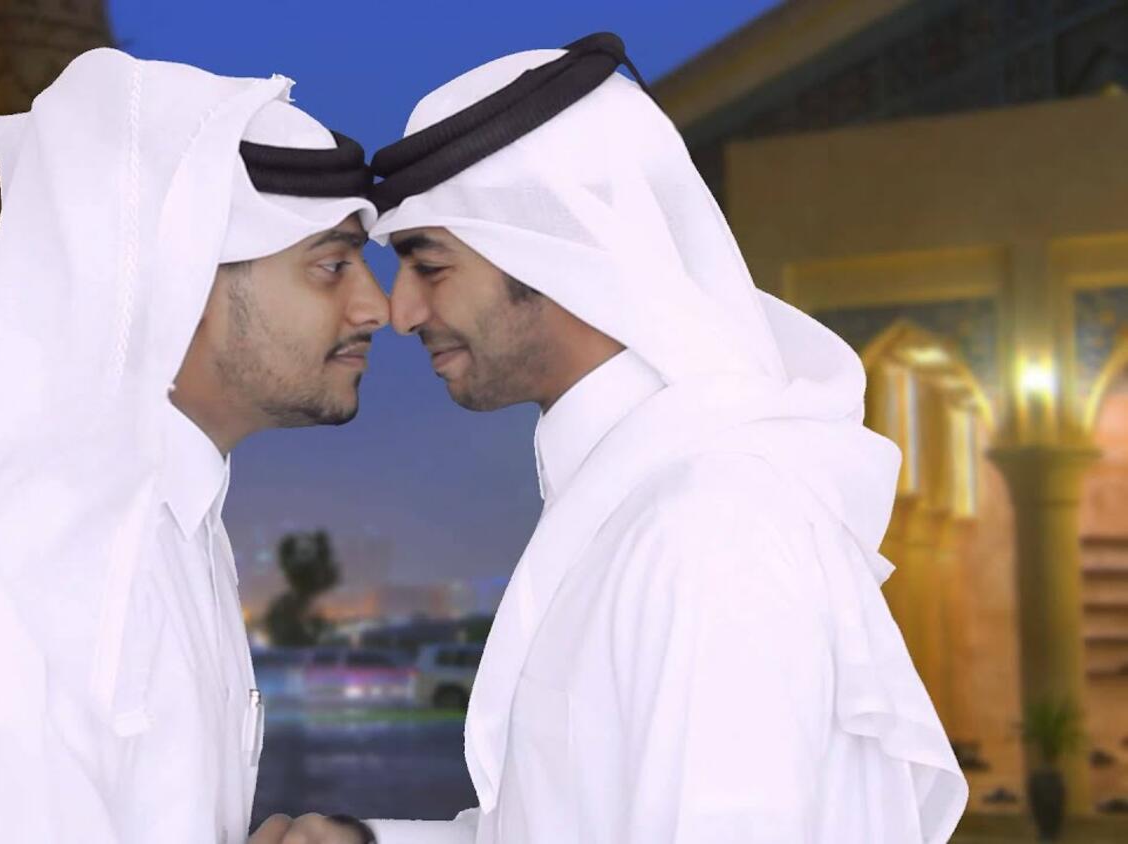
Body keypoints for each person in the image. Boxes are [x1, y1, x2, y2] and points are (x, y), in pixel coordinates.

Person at [0, 47, 386, 843]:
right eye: (330, 266)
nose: (375, 307)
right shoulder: (3, 563)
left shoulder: (160, 528)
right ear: (183, 282)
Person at [354, 33, 968, 844]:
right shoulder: (647, 496)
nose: (400, 313)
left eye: (430, 266)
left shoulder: (713, 526)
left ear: (556, 255)